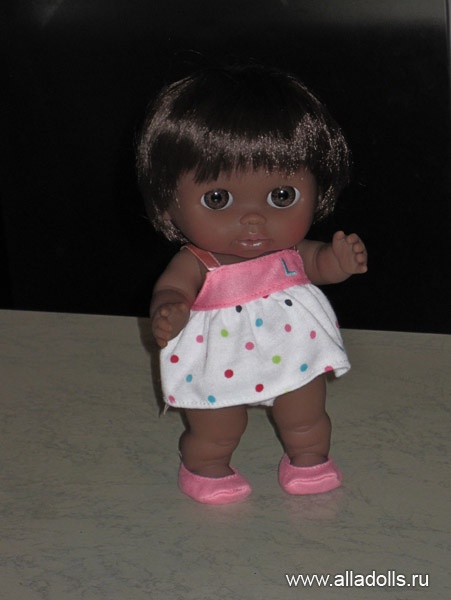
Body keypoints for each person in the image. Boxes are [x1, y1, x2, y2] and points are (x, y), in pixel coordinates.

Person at [136, 63, 368, 504]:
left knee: (306, 414)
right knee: (218, 426)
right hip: (218, 355)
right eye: (217, 199)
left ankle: (309, 456)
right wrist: (170, 309)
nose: (254, 219)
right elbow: (173, 289)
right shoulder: (198, 260)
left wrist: (338, 262)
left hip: (292, 348)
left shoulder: (290, 250)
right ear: (169, 203)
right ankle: (206, 463)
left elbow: (316, 264)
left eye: (282, 196)